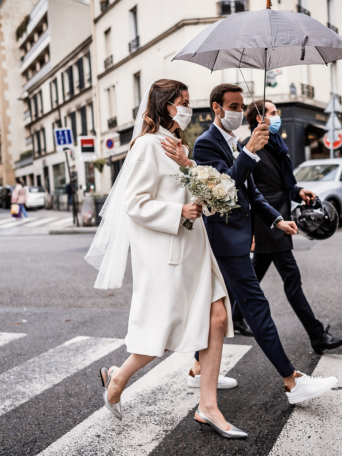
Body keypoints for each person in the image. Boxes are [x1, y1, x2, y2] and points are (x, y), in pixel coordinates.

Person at [85, 79, 247, 439]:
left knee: (218, 318)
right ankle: (117, 378)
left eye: (188, 101)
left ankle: (207, 407)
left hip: (195, 248)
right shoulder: (146, 145)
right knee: (163, 327)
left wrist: (195, 181)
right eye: (182, 102)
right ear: (165, 105)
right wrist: (180, 211)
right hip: (169, 251)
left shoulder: (176, 144)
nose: (187, 108)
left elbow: (188, 189)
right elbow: (135, 203)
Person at [164, 83, 338, 405]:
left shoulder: (234, 142)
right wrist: (248, 152)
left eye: (241, 106)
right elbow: (224, 191)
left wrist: (276, 220)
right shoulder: (206, 144)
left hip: (240, 236)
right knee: (256, 307)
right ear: (216, 108)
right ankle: (292, 382)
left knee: (217, 310)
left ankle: (197, 371)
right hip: (225, 239)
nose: (238, 111)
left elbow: (252, 193)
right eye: (233, 106)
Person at [242, 99, 342, 354]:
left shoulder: (277, 143)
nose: (277, 116)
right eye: (271, 112)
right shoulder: (249, 147)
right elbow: (251, 191)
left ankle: (235, 314)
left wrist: (299, 192)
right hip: (269, 222)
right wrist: (256, 228)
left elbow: (282, 185)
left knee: (253, 275)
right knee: (292, 279)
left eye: (277, 112)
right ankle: (317, 335)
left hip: (279, 216)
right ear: (259, 119)